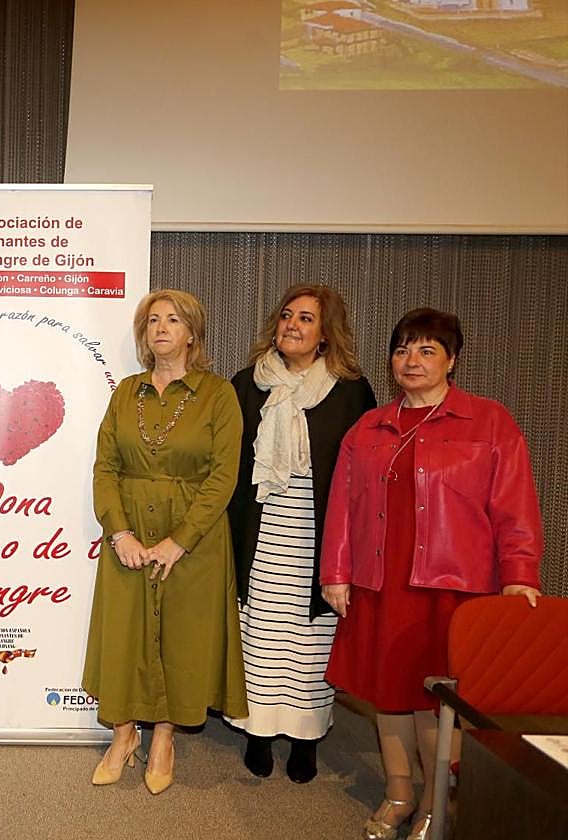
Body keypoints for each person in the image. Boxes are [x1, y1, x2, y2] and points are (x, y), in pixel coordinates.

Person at [321, 308, 543, 840]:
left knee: (437, 701)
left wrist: (520, 572)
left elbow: (514, 506)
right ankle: (399, 791)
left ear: (451, 360)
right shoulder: (369, 428)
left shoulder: (489, 422)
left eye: (426, 350)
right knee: (389, 695)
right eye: (402, 350)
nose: (411, 361)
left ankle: (437, 799)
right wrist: (336, 571)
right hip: (382, 582)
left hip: (453, 587)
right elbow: (342, 507)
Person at [83, 289, 247, 795]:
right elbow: (105, 467)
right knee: (126, 634)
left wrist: (181, 540)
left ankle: (165, 739)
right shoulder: (125, 392)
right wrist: (119, 531)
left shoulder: (218, 394)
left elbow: (224, 477)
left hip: (193, 537)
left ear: (191, 333)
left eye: (172, 320)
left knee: (182, 637)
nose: (160, 328)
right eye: (152, 320)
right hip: (130, 532)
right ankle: (124, 734)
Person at [225, 285, 375, 783]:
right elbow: (228, 467)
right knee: (262, 636)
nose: (292, 325)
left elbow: (364, 477)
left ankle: (307, 738)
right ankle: (259, 733)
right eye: (287, 316)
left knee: (311, 640)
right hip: (263, 533)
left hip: (319, 537)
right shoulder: (248, 384)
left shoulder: (351, 390)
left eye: (306, 319)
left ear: (326, 333)